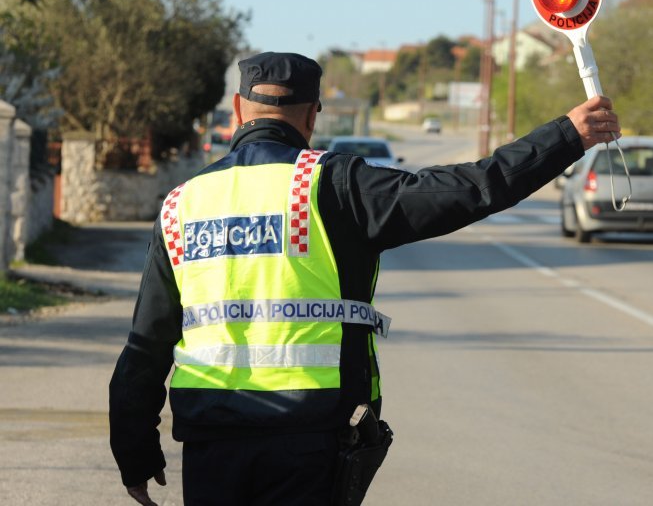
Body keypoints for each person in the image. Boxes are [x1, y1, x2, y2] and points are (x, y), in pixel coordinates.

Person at [109, 51, 620, 505]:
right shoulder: (334, 184)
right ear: (312, 116)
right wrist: (566, 135)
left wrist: (134, 450)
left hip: (211, 444)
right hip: (310, 442)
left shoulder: (182, 203)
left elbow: (146, 343)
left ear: (239, 112)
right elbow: (469, 188)